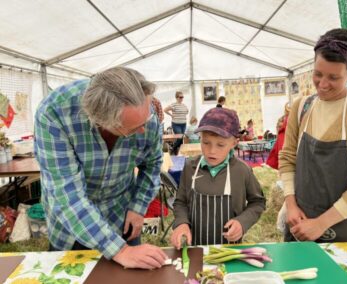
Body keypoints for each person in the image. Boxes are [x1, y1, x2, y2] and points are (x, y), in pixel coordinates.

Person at [34, 67, 168, 269]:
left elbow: (153, 163)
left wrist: (138, 206)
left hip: (121, 216)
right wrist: (121, 251)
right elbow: (69, 196)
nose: (143, 130)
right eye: (132, 128)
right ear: (100, 122)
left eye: (146, 120)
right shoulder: (54, 113)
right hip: (71, 224)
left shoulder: (145, 114)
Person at [279, 28, 347, 242]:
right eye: (317, 74)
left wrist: (321, 224)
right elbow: (287, 159)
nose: (322, 84)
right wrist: (291, 204)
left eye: (333, 77)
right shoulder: (301, 107)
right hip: (298, 224)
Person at [170, 108, 265, 248]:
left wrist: (242, 222)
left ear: (234, 143)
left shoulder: (242, 171)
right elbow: (180, 202)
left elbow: (258, 202)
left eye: (220, 145)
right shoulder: (190, 167)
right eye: (206, 142)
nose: (212, 150)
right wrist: (181, 223)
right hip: (196, 248)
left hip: (229, 250)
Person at [266, 103, 290, 169]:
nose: (278, 128)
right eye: (278, 126)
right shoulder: (281, 134)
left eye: (280, 126)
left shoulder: (283, 134)